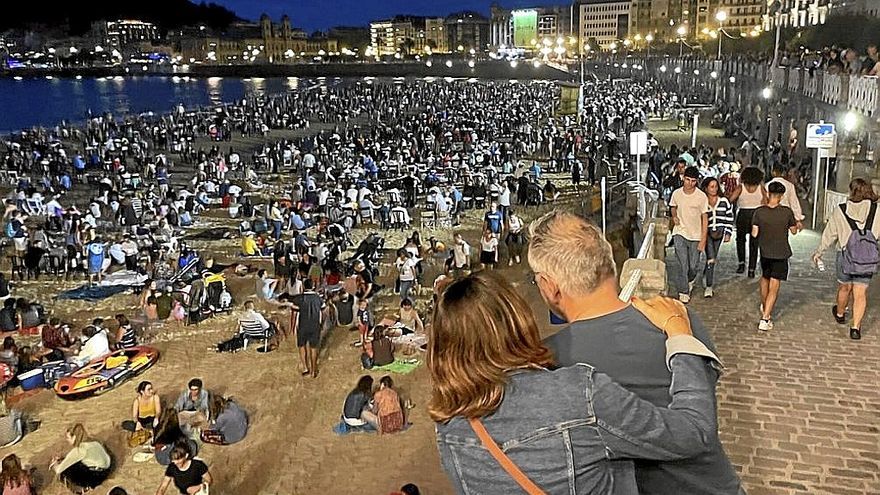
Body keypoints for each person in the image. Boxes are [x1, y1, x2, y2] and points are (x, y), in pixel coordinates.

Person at [431, 272, 725, 494]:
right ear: (517, 319)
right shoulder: (579, 392)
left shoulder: (447, 425)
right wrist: (679, 334)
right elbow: (694, 432)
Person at [526, 210, 741, 494]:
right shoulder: (678, 319)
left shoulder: (548, 362)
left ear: (549, 286)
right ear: (610, 263)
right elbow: (703, 394)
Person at [813, 178, 880, 340]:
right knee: (860, 292)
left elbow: (830, 233)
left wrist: (819, 251)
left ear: (851, 191)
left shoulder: (841, 210)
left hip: (845, 255)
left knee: (844, 288)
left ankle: (841, 313)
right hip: (868, 257)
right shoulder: (877, 210)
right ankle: (855, 328)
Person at [752, 181, 798, 332]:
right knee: (775, 285)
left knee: (765, 278)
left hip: (765, 251)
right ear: (782, 196)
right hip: (781, 252)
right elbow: (793, 231)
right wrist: (796, 224)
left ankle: (765, 306)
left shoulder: (759, 212)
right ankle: (765, 317)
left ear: (768, 193)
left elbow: (754, 233)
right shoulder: (786, 212)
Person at [668, 166, 709, 303]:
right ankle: (683, 290)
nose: (690, 183)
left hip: (696, 235)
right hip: (680, 232)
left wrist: (703, 239)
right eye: (687, 180)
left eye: (693, 181)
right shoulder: (676, 194)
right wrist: (674, 217)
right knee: (682, 264)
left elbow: (705, 218)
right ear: (683, 178)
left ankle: (690, 279)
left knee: (693, 266)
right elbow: (673, 206)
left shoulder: (701, 197)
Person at [50, 424, 112, 492]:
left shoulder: (79, 450)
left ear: (74, 437)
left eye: (68, 438)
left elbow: (58, 470)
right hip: (106, 471)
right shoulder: (95, 443)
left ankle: (80, 490)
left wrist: (54, 464)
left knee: (67, 469)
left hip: (95, 478)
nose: (67, 440)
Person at [730, 166, 767, 277]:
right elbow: (766, 201)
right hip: (757, 215)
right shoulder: (761, 188)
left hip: (742, 215)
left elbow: (731, 199)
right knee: (754, 243)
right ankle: (751, 269)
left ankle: (741, 264)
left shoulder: (741, 188)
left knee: (740, 240)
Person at [702, 177, 734, 298]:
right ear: (706, 188)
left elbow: (729, 217)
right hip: (707, 233)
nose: (714, 189)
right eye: (711, 186)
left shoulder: (724, 201)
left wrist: (728, 233)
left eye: (715, 186)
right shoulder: (703, 201)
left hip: (719, 233)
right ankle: (709, 286)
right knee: (711, 258)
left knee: (713, 256)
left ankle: (706, 273)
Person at [290, 279, 324, 378]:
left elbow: (294, 314)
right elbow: (324, 311)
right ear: (313, 287)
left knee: (302, 346)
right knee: (313, 348)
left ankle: (305, 368)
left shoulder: (298, 299)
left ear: (304, 287)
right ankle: (314, 369)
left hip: (302, 326)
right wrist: (321, 324)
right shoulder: (318, 298)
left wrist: (292, 327)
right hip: (315, 326)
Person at [768, 165, 805, 230]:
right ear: (783, 173)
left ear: (773, 172)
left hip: (770, 215)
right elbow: (794, 203)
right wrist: (797, 219)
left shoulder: (767, 185)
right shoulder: (790, 185)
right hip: (786, 216)